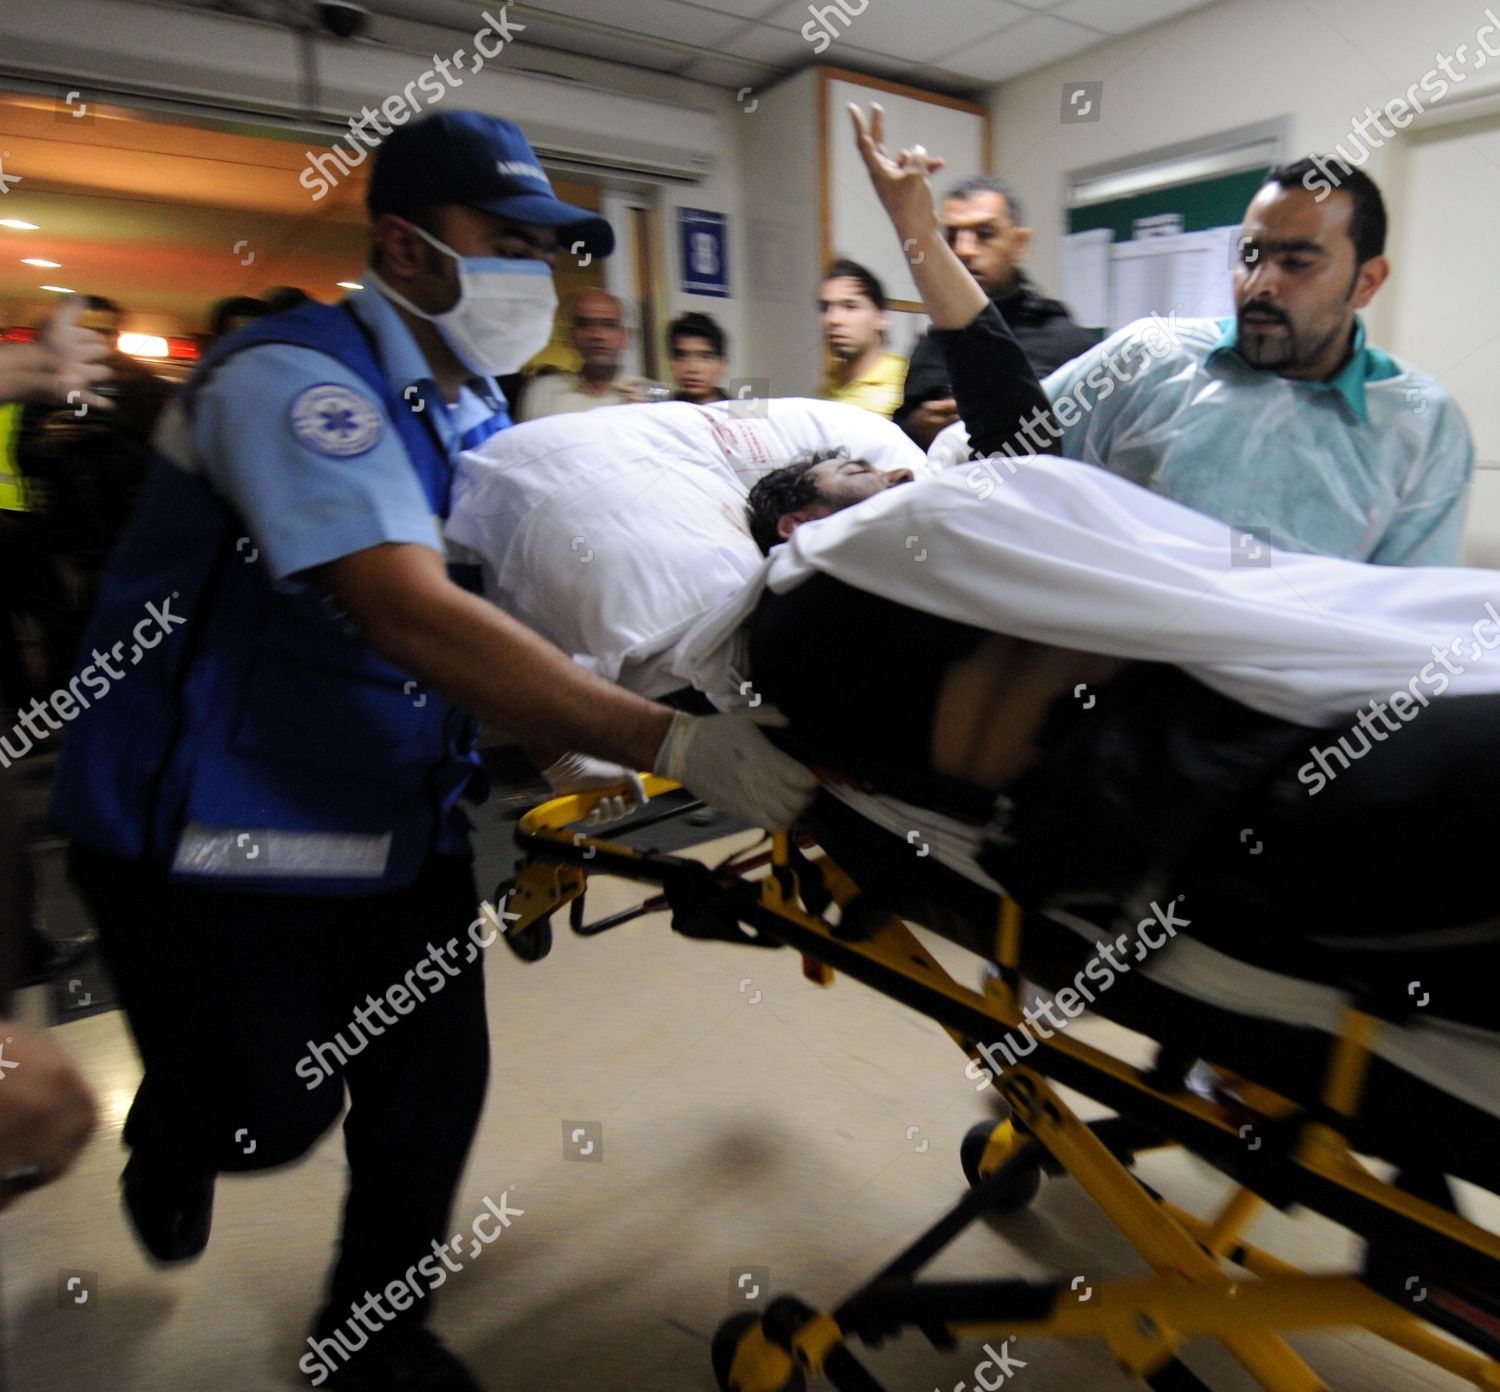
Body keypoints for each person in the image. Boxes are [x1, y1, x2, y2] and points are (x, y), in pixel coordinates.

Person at [48, 109, 812, 1392]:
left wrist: (569, 732)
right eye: (504, 241)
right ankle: (179, 1132)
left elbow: (491, 625)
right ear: (402, 249)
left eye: (545, 248)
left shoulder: (466, 418)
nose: (537, 274)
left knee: (429, 1083)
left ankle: (374, 1342)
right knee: (266, 1119)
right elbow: (405, 607)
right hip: (206, 831)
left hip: (391, 821)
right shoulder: (291, 382)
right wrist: (677, 742)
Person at [937, 157, 1473, 566]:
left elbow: (1404, 615)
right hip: (1115, 672)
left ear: (1367, 282)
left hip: (1300, 699)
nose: (1261, 284)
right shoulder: (1151, 358)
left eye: (1296, 263)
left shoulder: (1422, 424)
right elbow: (997, 440)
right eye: (1250, 256)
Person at [897, 174, 1097, 449]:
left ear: (1019, 243)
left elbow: (1093, 441)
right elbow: (898, 440)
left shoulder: (1067, 344)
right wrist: (918, 426)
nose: (963, 250)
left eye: (985, 234)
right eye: (952, 236)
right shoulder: (933, 346)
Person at [518, 288, 641, 419]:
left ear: (626, 336)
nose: (596, 335)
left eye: (608, 325)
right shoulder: (542, 392)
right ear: (571, 335)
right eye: (584, 325)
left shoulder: (646, 396)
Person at [816, 258, 908, 419]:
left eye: (850, 307)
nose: (833, 319)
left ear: (881, 318)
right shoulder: (828, 387)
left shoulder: (907, 382)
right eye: (825, 308)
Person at [666, 311, 729, 403]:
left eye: (705, 357)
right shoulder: (659, 412)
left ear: (722, 364)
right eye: (681, 356)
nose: (692, 368)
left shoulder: (740, 414)